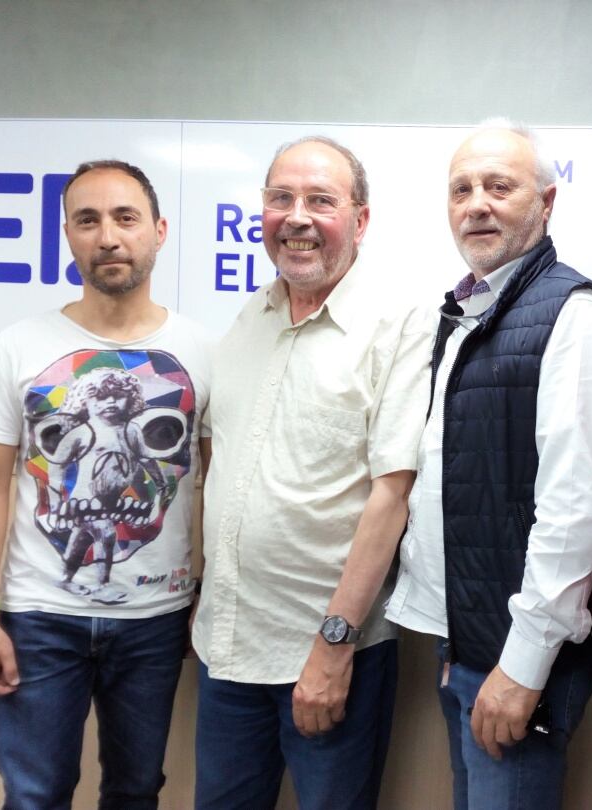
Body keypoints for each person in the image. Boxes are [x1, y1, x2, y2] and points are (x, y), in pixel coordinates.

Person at [385, 120, 592, 810]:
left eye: (500, 186)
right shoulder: (471, 312)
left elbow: (575, 511)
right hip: (466, 644)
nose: (477, 204)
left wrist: (522, 667)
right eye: (461, 189)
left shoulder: (576, 319)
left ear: (547, 204)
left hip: (516, 656)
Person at [0, 159, 212, 809]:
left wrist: (203, 593)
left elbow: (216, 484)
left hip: (156, 620)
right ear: (67, 234)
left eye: (125, 218)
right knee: (35, 793)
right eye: (88, 220)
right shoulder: (19, 346)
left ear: (158, 230)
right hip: (39, 618)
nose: (108, 236)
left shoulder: (202, 351)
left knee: (135, 792)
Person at [192, 136, 432, 810]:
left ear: (359, 221)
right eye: (280, 198)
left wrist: (334, 646)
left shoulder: (398, 324)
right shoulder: (247, 320)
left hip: (328, 656)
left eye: (320, 201)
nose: (296, 217)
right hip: (227, 647)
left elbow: (394, 495)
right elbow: (217, 465)